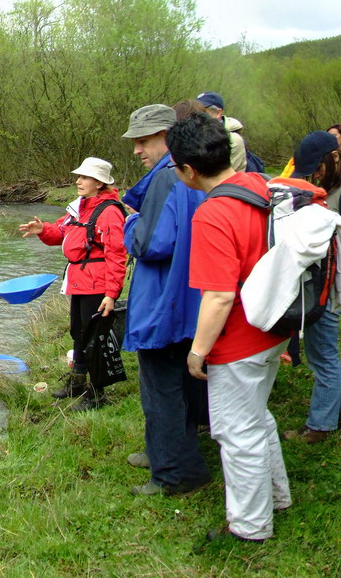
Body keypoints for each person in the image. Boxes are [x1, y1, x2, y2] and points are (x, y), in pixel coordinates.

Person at [171, 114, 291, 544]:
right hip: (277, 327)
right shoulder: (263, 186)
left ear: (187, 170)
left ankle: (250, 528)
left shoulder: (213, 213)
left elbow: (219, 296)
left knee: (236, 433)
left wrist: (197, 351)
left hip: (240, 338)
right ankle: (277, 497)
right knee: (257, 417)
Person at [119, 104, 212, 497]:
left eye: (144, 141)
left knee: (160, 387)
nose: (137, 150)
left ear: (167, 137)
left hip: (164, 298)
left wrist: (129, 222)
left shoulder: (165, 178)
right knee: (184, 381)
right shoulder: (195, 171)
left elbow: (151, 244)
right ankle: (167, 452)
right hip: (193, 297)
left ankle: (174, 472)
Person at [18, 157, 127, 411]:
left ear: (99, 183)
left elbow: (116, 254)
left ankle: (96, 394)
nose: (78, 181)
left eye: (85, 177)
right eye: (79, 176)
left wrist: (111, 294)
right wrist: (42, 229)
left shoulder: (109, 212)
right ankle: (76, 382)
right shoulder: (81, 207)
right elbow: (61, 233)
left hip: (97, 284)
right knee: (77, 331)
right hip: (79, 280)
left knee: (94, 337)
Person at [282, 131, 341, 444]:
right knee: (325, 352)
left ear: (333, 159)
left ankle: (320, 426)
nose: (314, 176)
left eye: (317, 169)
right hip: (317, 282)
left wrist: (312, 214)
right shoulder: (324, 188)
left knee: (322, 357)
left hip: (328, 286)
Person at [197, 91, 249, 172]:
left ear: (218, 113)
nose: (198, 115)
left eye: (203, 111)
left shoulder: (233, 139)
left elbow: (221, 175)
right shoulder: (200, 132)